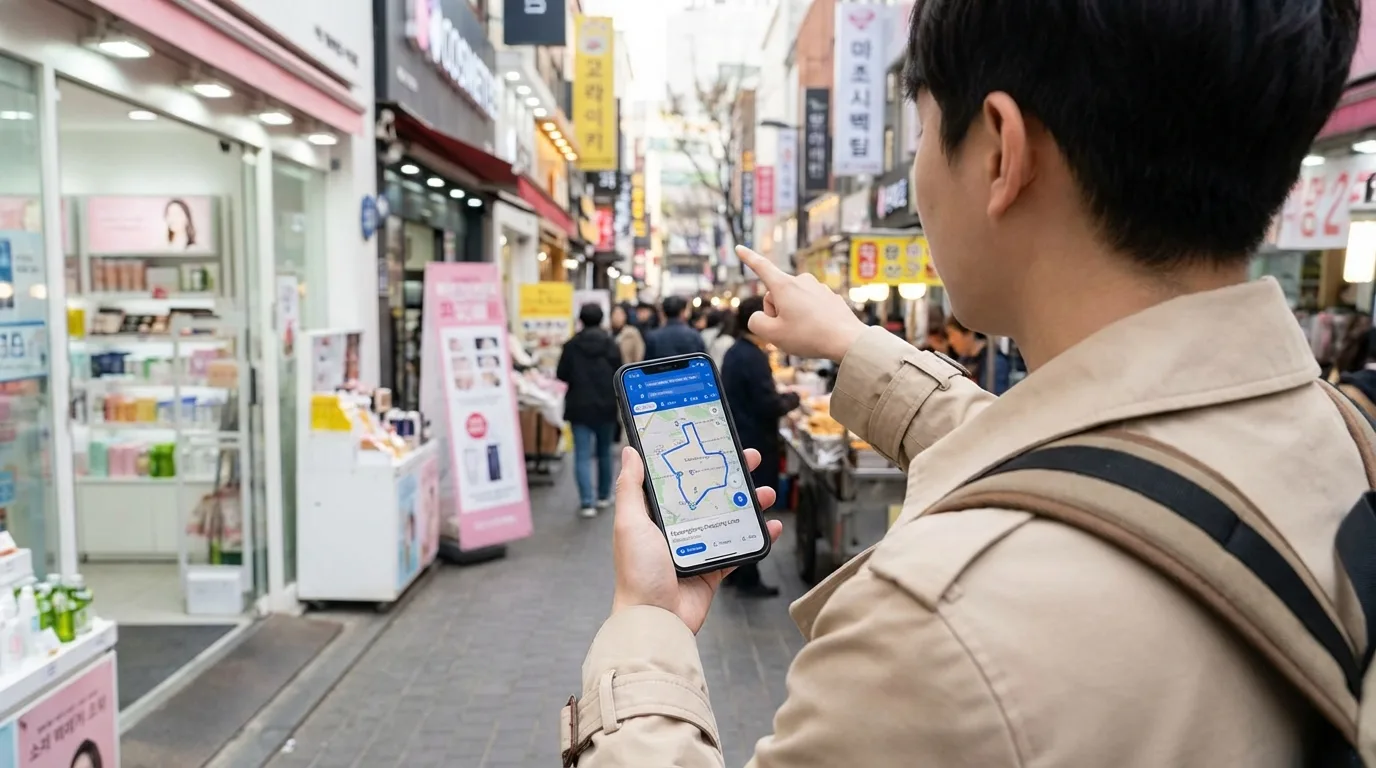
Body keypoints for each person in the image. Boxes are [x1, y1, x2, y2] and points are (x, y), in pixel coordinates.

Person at [560, 1, 1369, 765]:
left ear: (1000, 152)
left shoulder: (933, 627)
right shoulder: (1344, 435)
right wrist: (852, 342)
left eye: (920, 129)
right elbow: (1108, 467)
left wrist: (646, 629)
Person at [719, 296, 798, 598]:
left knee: (741, 505)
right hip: (754, 440)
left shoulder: (735, 351)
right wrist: (792, 400)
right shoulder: (752, 356)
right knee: (752, 507)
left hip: (738, 435)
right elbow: (766, 404)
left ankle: (734, 571)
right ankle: (747, 576)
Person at [556, 303, 623, 518]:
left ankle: (587, 502)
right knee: (604, 453)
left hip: (579, 405)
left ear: (581, 319)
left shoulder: (571, 345)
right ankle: (604, 496)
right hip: (605, 405)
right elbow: (618, 373)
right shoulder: (611, 344)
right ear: (602, 318)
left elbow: (562, 374)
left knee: (582, 455)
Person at [946, 316, 1011, 394]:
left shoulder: (995, 362)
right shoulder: (962, 361)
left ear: (968, 333)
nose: (950, 341)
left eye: (952, 334)